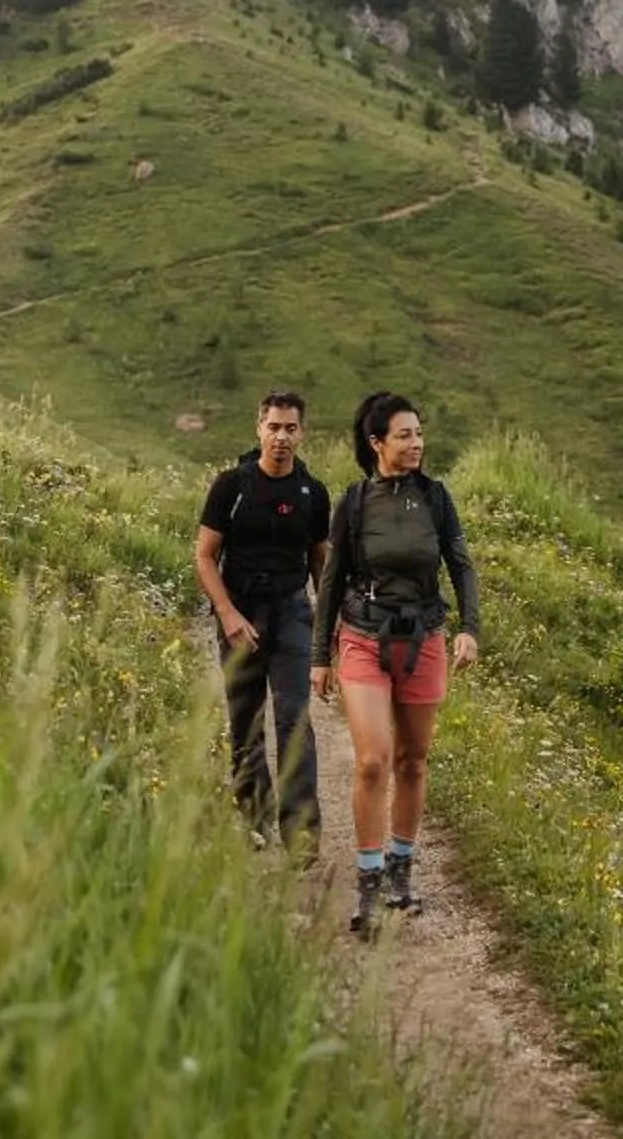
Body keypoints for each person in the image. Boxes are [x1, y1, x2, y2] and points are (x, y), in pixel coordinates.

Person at [312, 391, 481, 933]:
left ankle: (401, 870)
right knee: (372, 761)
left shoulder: (437, 498)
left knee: (412, 760)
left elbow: (461, 565)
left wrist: (469, 630)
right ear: (377, 443)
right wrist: (320, 657)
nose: (417, 443)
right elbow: (332, 580)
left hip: (424, 635)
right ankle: (367, 880)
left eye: (419, 433)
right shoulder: (354, 503)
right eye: (404, 435)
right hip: (362, 635)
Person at [194, 390, 330, 851]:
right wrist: (228, 614)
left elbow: (320, 562)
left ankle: (303, 835)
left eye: (291, 428)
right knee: (245, 719)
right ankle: (255, 818)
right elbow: (205, 556)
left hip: (292, 611)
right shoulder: (231, 486)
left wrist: (326, 631)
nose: (282, 437)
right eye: (274, 427)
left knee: (295, 720)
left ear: (302, 433)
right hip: (241, 613)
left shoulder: (314, 493)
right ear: (259, 429)